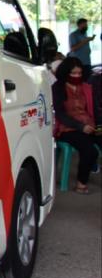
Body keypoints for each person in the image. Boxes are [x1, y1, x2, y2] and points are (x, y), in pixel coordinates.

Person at [52, 57, 101, 195]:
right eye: (73, 73)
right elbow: (60, 115)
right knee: (90, 150)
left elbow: (93, 110)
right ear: (66, 72)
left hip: (88, 126)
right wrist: (81, 127)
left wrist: (96, 126)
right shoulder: (58, 88)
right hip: (68, 128)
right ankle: (81, 183)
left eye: (79, 73)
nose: (77, 76)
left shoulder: (85, 87)